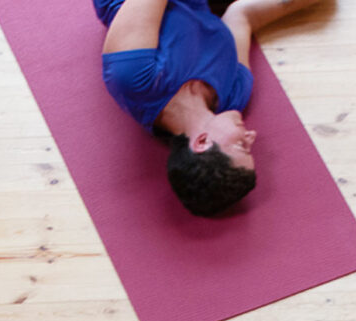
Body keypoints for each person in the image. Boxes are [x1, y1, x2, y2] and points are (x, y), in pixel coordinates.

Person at [93, 0, 323, 216]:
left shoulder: (136, 80)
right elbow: (242, 16)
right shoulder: (233, 96)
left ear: (201, 142)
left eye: (241, 146)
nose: (251, 136)